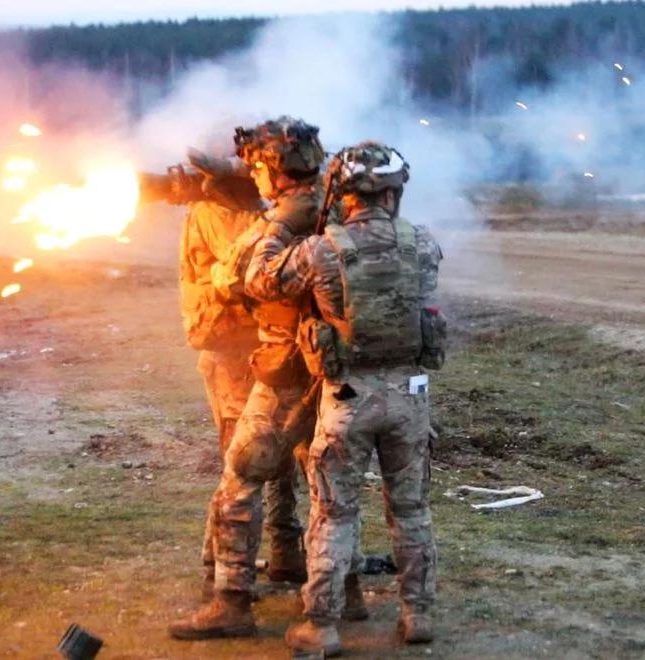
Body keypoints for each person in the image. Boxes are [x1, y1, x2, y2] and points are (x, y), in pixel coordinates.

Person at [243, 141, 447, 655]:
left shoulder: (321, 250)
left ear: (343, 191)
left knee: (334, 514)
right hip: (409, 397)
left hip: (346, 399)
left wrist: (278, 224)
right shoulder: (422, 243)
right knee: (413, 510)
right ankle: (417, 615)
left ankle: (322, 625)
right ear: (395, 190)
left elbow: (258, 279)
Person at [168, 117, 368, 640]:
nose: (253, 176)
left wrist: (268, 227)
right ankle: (345, 593)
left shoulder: (284, 216)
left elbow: (235, 276)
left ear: (275, 172)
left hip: (286, 369)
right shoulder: (342, 204)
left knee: (240, 478)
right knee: (328, 486)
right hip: (335, 370)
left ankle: (232, 602)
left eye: (258, 167)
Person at [141, 153, 306, 600]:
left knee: (285, 448)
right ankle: (221, 561)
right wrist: (283, 221)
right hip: (232, 346)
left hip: (267, 346)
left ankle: (286, 548)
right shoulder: (219, 211)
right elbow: (240, 275)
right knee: (243, 456)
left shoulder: (250, 209)